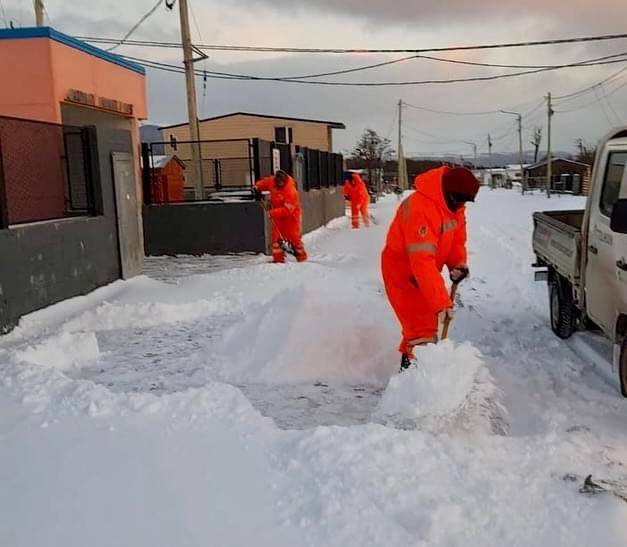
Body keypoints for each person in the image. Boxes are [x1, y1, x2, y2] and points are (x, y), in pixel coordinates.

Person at [380, 166, 480, 371]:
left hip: (425, 273)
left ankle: (409, 380)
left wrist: (458, 264)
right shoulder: (421, 209)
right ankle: (413, 386)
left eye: (465, 201)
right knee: (423, 332)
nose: (461, 205)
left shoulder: (454, 207)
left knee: (424, 329)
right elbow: (421, 261)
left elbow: (457, 240)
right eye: (459, 200)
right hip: (403, 273)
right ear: (448, 192)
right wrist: (441, 303)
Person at [254, 170, 307, 263]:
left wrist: (272, 212)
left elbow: (287, 210)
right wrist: (256, 187)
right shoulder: (272, 181)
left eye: (281, 183)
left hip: (291, 217)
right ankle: (278, 260)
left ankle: (302, 258)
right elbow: (262, 183)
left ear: (285, 181)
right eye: (277, 183)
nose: (279, 185)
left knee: (294, 238)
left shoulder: (291, 191)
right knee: (276, 240)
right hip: (277, 217)